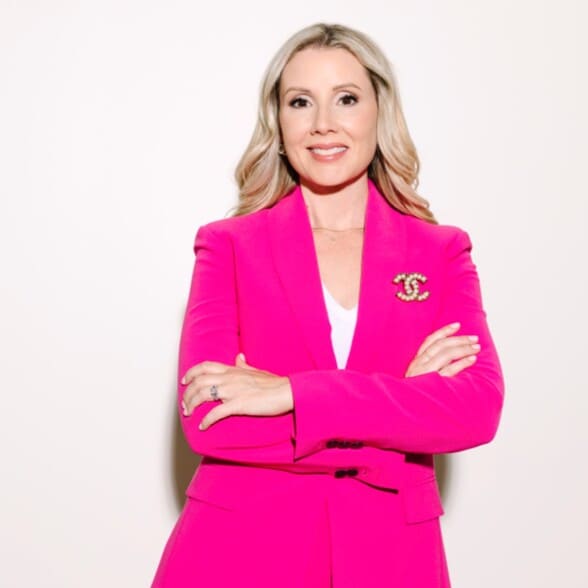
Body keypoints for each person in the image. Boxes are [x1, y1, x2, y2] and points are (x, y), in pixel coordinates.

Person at [151, 22, 505, 588]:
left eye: (346, 98)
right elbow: (210, 424)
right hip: (239, 553)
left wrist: (291, 393)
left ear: (379, 112)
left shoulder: (440, 251)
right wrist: (400, 408)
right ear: (278, 121)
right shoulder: (228, 246)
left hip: (391, 557)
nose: (323, 123)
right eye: (300, 102)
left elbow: (475, 409)